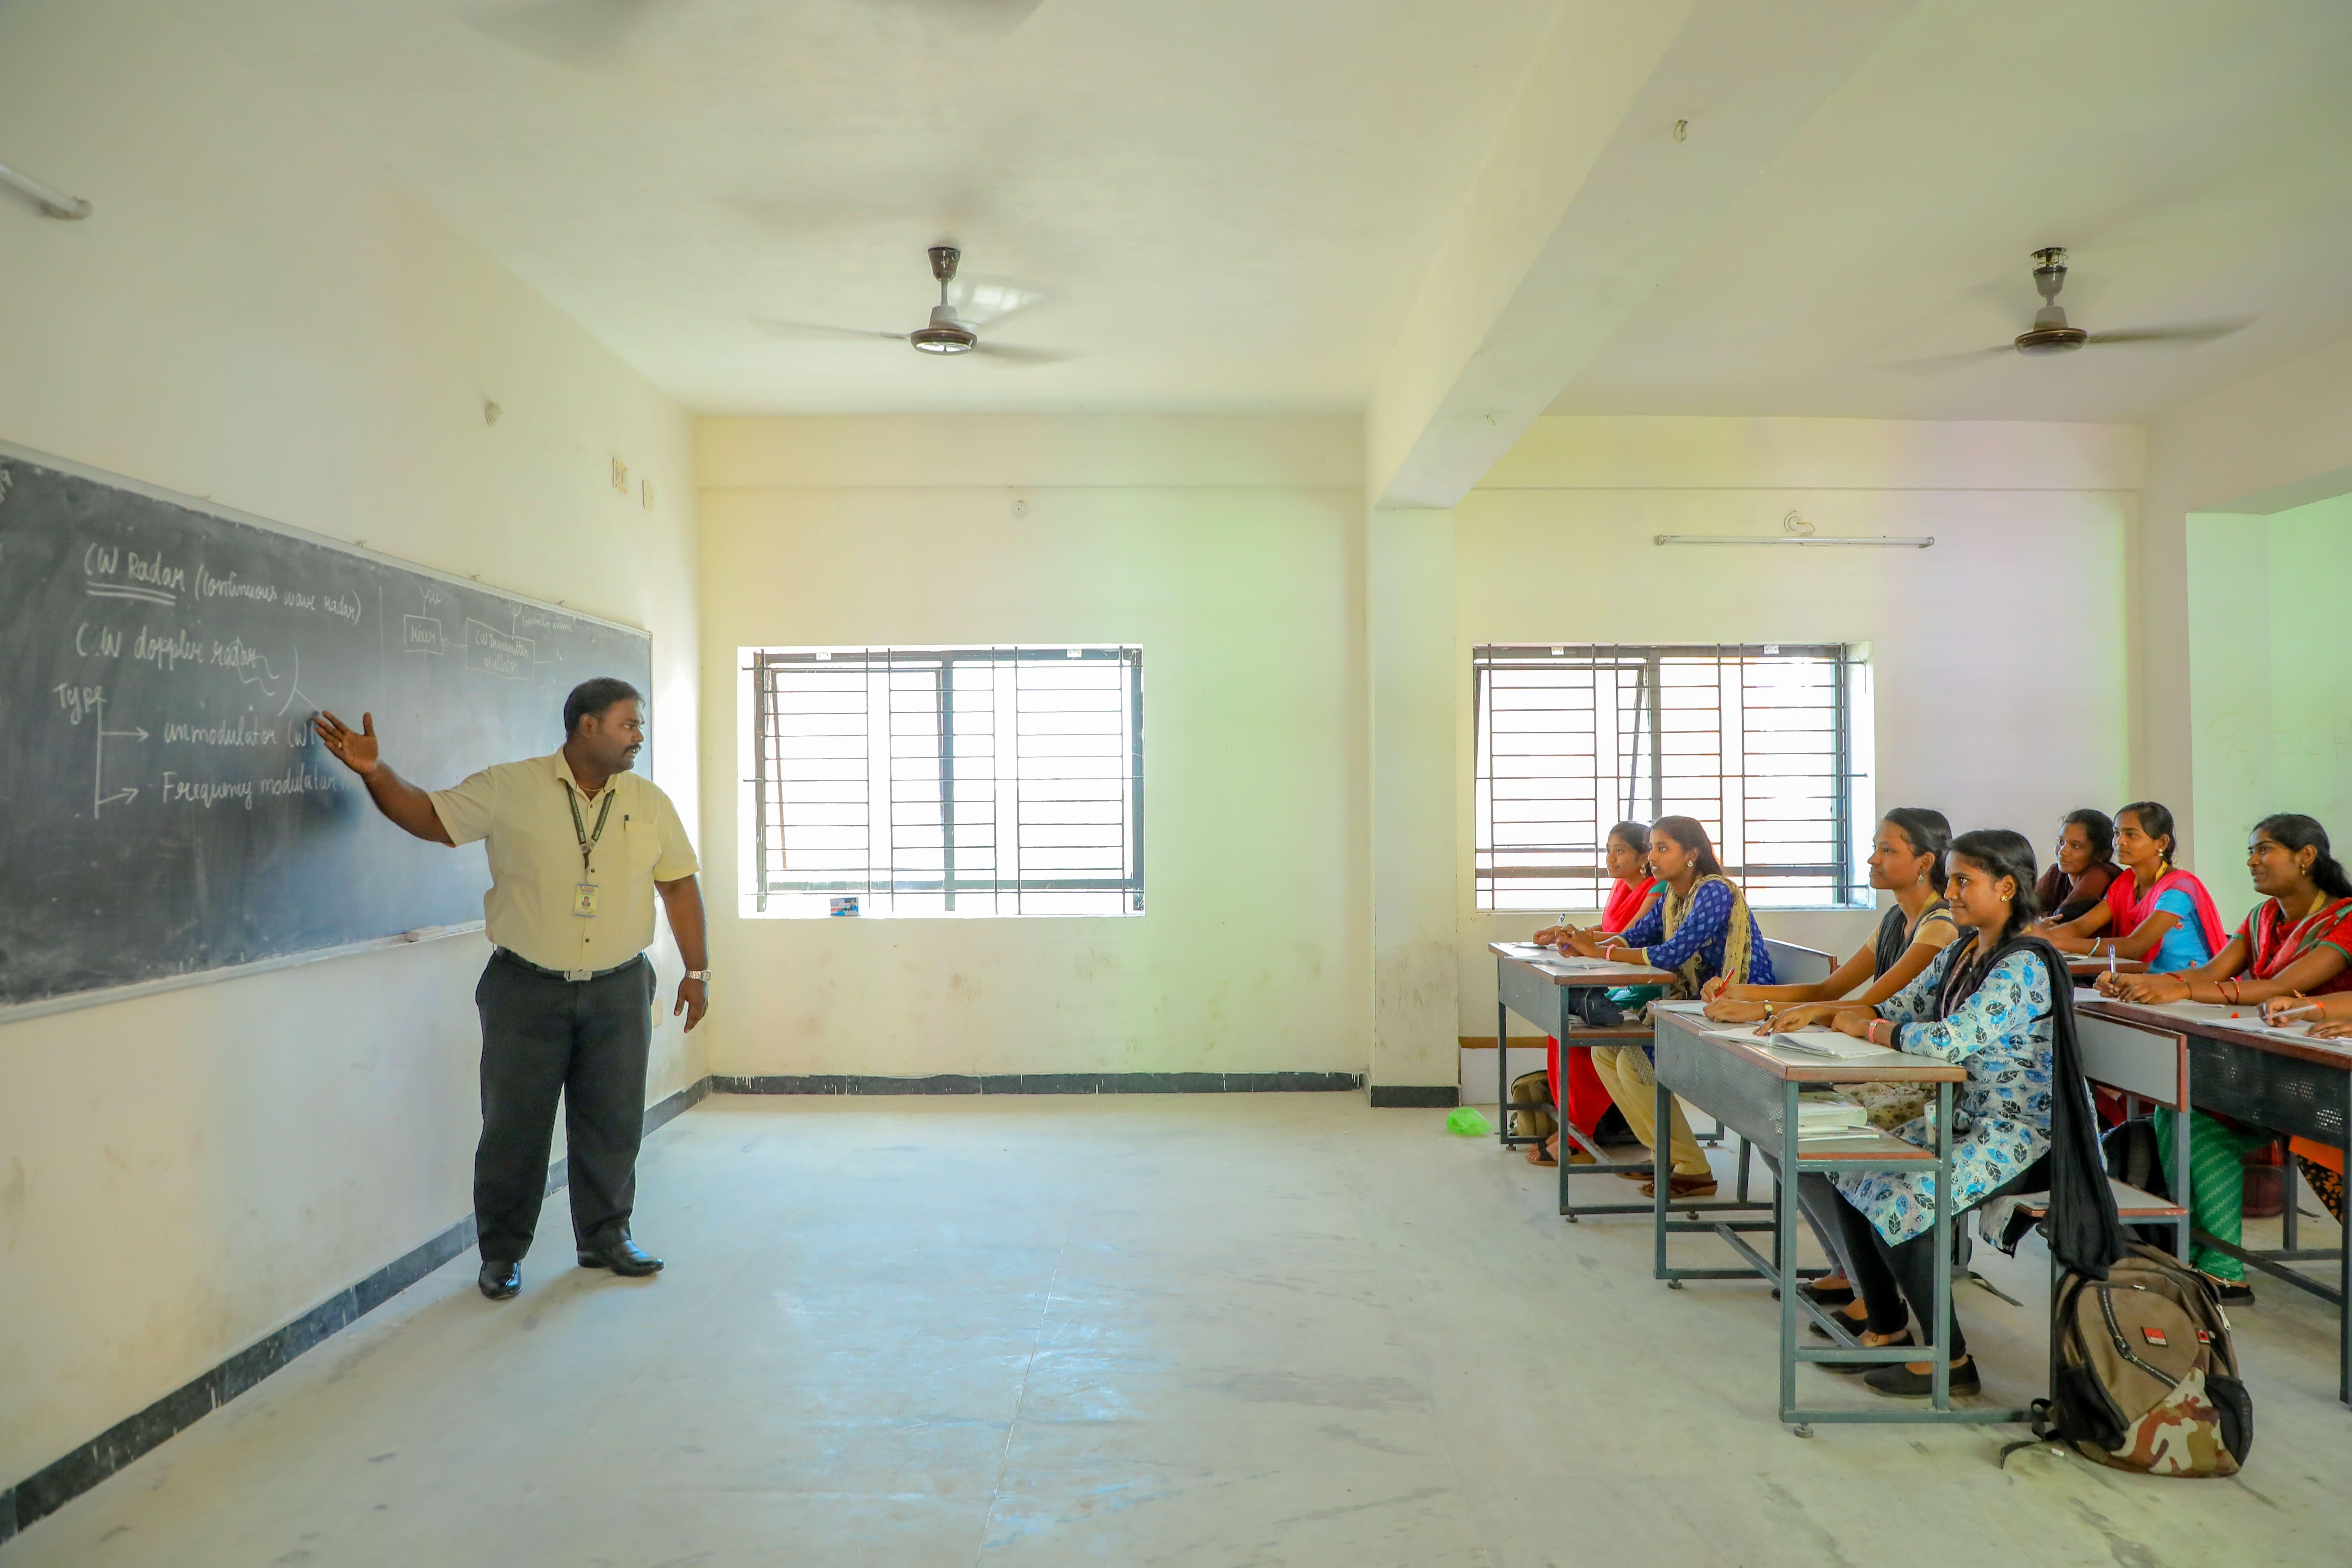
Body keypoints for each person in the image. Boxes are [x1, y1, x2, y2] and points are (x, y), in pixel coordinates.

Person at [314, 678, 709, 1302]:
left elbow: (680, 886)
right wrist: (376, 773)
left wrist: (697, 970)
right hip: (527, 990)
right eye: (628, 724)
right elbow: (431, 817)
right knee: (513, 1129)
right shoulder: (511, 787)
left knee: (612, 1123)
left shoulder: (649, 801)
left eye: (639, 727)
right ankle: (502, 1253)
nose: (639, 736)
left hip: (618, 988)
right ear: (587, 726)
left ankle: (606, 1237)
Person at [1814, 829, 2065, 1397]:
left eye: (1962, 881)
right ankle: (1888, 1327)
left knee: (1909, 1197)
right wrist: (1822, 1015)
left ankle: (1949, 1362)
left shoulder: (2024, 963)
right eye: (1949, 878)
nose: (1949, 891)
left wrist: (1869, 1026)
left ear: (2006, 887)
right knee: (1845, 1157)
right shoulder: (1965, 948)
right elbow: (1900, 1005)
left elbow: (1951, 1040)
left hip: (2025, 1133)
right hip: (1961, 1117)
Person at [1701, 808, 1961, 1332]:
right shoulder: (1894, 920)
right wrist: (1741, 993)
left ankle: (1874, 1287)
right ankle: (1849, 1268)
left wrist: (1767, 1014)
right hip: (1878, 1065)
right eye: (1875, 847)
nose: (1872, 858)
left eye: (1888, 850)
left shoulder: (1939, 927)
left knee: (1808, 1131)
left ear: (1925, 862)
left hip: (1921, 1084)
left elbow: (1871, 1006)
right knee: (1776, 1128)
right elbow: (1828, 991)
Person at [2100, 813, 2352, 1299]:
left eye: (2265, 850)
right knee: (2181, 1114)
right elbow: (2217, 972)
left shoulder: (2343, 918)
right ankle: (2206, 1261)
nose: (2252, 861)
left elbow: (2282, 987)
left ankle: (2216, 1264)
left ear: (2306, 857)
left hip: (2320, 1083)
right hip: (2272, 1068)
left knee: (2196, 1113)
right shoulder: (2262, 918)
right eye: (2252, 850)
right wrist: (2147, 985)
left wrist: (2179, 989)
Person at [1558, 816, 1775, 1199]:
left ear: (1692, 854)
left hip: (1737, 1009)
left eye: (1663, 848)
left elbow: (1672, 955)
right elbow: (1636, 937)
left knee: (1634, 1061)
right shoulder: (1675, 897)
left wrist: (1601, 950)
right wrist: (1580, 940)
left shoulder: (1714, 892)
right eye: (1652, 848)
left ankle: (1691, 1167)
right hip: (1697, 1006)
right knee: (1606, 1052)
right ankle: (1668, 1156)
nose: (1652, 858)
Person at [1526, 821, 1660, 1168]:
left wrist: (1579, 939)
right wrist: (1569, 932)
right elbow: (1608, 929)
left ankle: (1580, 1137)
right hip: (1613, 983)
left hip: (1638, 992)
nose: (1611, 859)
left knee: (1578, 1039)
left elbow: (1628, 938)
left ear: (1643, 856)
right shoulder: (1620, 886)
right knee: (1559, 1031)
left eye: (1620, 851)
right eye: (1608, 850)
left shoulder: (1654, 889)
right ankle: (1571, 1128)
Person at [2045, 801, 2224, 972]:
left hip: (2190, 991)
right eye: (2117, 834)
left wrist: (2054, 941)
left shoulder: (2179, 888)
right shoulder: (2125, 883)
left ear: (2161, 843)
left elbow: (2135, 946)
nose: (2120, 842)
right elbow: (2081, 927)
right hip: (2142, 987)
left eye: (2131, 835)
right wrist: (2035, 935)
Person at [2033, 809, 2121, 926]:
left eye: (2076, 846)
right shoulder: (2057, 873)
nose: (2062, 852)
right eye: (2061, 842)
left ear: (2101, 854)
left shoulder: (2101, 875)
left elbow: (2061, 922)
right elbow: (2022, 909)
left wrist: (2036, 925)